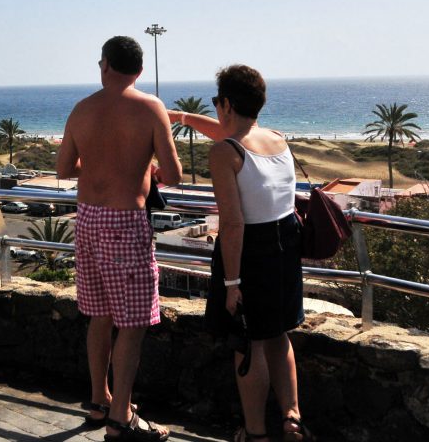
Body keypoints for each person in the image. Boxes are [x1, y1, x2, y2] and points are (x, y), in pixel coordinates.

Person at [168, 65, 312, 442]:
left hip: (252, 252)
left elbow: (232, 224)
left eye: (218, 102)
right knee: (279, 336)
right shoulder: (278, 140)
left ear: (227, 104)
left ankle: (256, 432)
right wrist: (182, 117)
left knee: (249, 343)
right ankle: (292, 419)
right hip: (286, 244)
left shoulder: (224, 153)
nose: (216, 109)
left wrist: (232, 283)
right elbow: (231, 133)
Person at [57, 35, 182, 442]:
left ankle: (98, 400)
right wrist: (141, 169)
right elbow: (175, 174)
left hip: (88, 219)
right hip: (125, 221)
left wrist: (98, 164)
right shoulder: (150, 108)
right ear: (140, 71)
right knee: (133, 324)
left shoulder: (82, 109)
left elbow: (63, 169)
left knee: (100, 314)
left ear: (105, 65)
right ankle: (120, 417)